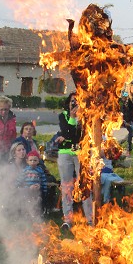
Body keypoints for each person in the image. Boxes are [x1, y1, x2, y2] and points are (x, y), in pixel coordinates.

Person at [57, 93, 92, 229]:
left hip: (81, 153)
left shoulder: (87, 116)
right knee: (66, 186)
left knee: (84, 185)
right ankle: (68, 219)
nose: (75, 103)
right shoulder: (63, 115)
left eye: (77, 101)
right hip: (65, 153)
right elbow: (67, 133)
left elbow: (79, 136)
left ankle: (90, 219)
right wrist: (72, 118)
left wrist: (70, 134)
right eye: (72, 101)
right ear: (68, 102)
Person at [16, 150, 48, 216]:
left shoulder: (39, 170)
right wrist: (17, 185)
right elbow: (20, 179)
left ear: (38, 161)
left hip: (37, 190)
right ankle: (27, 213)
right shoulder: (25, 170)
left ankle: (37, 213)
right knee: (28, 201)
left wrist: (43, 189)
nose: (33, 162)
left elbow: (43, 180)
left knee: (37, 201)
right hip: (28, 189)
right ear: (27, 161)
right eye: (31, 160)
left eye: (35, 160)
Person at [120, 83, 133, 155]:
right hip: (126, 119)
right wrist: (125, 120)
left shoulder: (132, 98)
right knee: (131, 132)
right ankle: (128, 149)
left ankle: (120, 142)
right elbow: (124, 109)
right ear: (130, 89)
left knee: (132, 132)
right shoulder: (126, 97)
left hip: (131, 119)